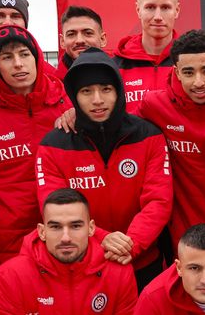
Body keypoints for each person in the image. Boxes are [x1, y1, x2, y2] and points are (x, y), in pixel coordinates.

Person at [37, 47, 173, 290]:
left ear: (119, 91)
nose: (97, 100)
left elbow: (158, 201)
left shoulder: (148, 135)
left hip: (141, 263)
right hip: (84, 266)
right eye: (86, 91)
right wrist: (102, 239)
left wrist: (132, 243)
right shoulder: (53, 145)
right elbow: (54, 208)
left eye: (106, 89)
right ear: (74, 97)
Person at [136, 30, 205, 265]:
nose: (199, 82)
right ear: (176, 72)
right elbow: (119, 126)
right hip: (185, 230)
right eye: (188, 73)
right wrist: (75, 113)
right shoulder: (155, 105)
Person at [0, 25, 71, 277]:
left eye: (24, 54)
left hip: (64, 232)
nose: (18, 64)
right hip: (7, 241)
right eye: (7, 57)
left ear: (37, 57)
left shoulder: (67, 102)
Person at [0, 188, 137, 314]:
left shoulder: (118, 272)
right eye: (56, 227)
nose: (66, 238)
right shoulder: (9, 277)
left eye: (76, 226)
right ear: (42, 231)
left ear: (91, 229)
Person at [114, 0, 181, 112]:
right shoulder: (116, 66)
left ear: (177, 11)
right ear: (138, 10)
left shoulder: (190, 59)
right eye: (150, 7)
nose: (157, 17)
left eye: (165, 7)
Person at [55, 6, 108, 79]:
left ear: (102, 39)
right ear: (62, 42)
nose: (79, 40)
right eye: (71, 34)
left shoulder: (121, 79)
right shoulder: (51, 87)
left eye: (88, 33)